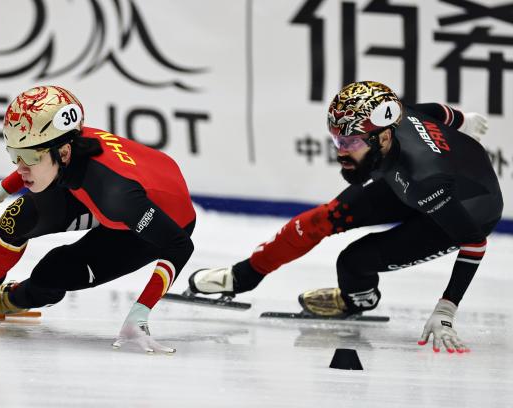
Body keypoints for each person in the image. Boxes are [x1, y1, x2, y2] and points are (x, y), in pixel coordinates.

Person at [189, 81, 502, 354]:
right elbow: (437, 111)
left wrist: (446, 308)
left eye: (350, 143)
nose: (340, 152)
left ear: (381, 139)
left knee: (353, 262)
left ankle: (358, 300)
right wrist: (464, 120)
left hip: (466, 210)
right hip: (412, 180)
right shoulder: (393, 117)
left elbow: (474, 243)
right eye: (338, 140)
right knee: (322, 219)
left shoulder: (424, 177)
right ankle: (243, 276)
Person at [0, 85, 196, 353]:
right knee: (16, 218)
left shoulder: (115, 197)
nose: (20, 167)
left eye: (27, 156)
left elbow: (180, 245)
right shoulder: (66, 146)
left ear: (63, 153)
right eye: (14, 155)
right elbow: (37, 159)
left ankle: (11, 299)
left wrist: (141, 311)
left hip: (158, 218)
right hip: (107, 186)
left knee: (53, 272)